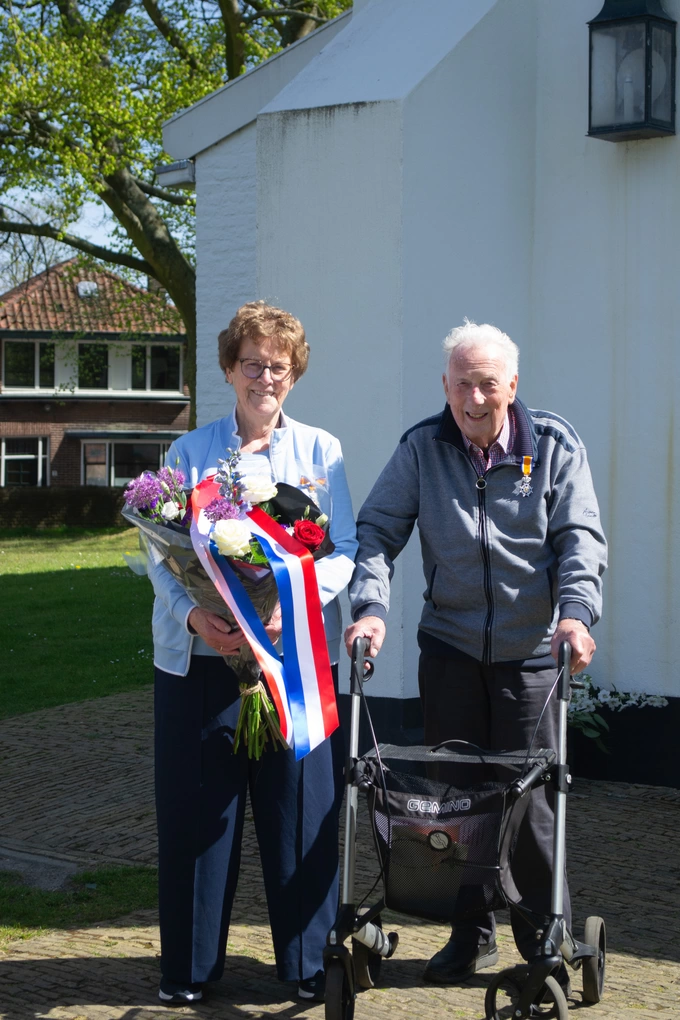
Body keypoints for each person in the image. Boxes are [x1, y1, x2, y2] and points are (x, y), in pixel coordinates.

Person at [344, 319, 607, 986]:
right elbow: (376, 530)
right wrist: (370, 607)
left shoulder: (554, 444)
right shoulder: (422, 447)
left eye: (488, 383)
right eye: (462, 383)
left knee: (531, 806)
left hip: (532, 655)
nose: (475, 397)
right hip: (450, 650)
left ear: (512, 385)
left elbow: (579, 539)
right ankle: (470, 936)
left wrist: (575, 617)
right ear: (445, 385)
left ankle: (543, 940)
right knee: (454, 804)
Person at [147, 301, 357, 1005]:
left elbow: (344, 549)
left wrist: (289, 606)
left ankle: (307, 966)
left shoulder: (322, 452)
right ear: (229, 369)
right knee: (198, 817)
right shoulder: (189, 452)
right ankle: (188, 970)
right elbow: (158, 554)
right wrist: (195, 616)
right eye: (252, 364)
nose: (264, 377)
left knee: (300, 811)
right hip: (202, 664)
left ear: (294, 375)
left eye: (278, 366)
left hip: (294, 664)